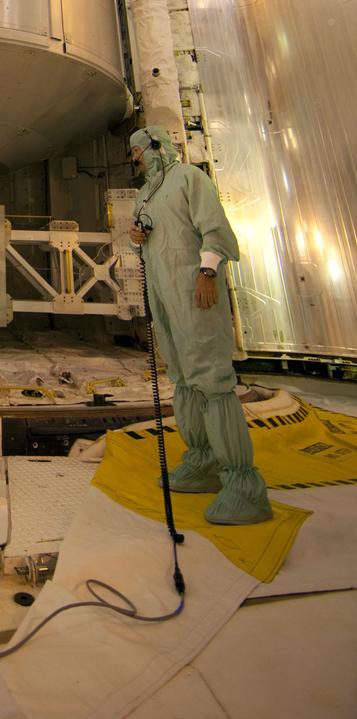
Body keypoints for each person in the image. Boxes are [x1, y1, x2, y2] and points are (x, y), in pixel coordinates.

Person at [128, 126, 272, 525]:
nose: (135, 160)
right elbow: (147, 240)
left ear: (156, 146)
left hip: (195, 294)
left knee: (211, 380)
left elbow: (214, 228)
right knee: (184, 378)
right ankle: (203, 462)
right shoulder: (146, 193)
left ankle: (244, 487)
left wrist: (207, 272)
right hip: (165, 299)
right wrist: (135, 236)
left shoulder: (190, 179)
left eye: (137, 152)